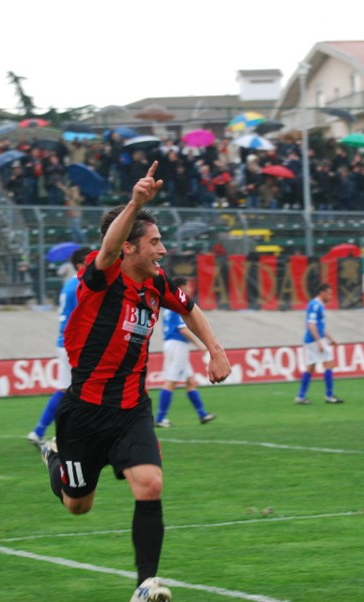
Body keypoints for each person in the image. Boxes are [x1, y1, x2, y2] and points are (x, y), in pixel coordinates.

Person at [38, 161, 231, 601]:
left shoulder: (156, 283)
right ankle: (54, 455)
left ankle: (146, 585)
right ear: (129, 248)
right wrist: (135, 202)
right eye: (154, 242)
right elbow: (106, 249)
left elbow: (189, 307)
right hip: (85, 411)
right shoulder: (100, 276)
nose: (162, 249)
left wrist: (215, 350)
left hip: (130, 410)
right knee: (77, 505)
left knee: (151, 483)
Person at [26, 247, 90, 446]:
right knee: (81, 389)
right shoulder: (81, 286)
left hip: (66, 342)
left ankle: (39, 431)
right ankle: (74, 433)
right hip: (74, 344)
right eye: (91, 261)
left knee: (66, 389)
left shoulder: (70, 284)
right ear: (81, 265)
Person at [155, 276, 217, 427]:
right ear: (181, 288)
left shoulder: (168, 304)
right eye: (188, 286)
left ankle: (203, 414)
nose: (190, 289)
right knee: (171, 381)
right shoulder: (178, 303)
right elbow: (182, 329)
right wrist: (200, 345)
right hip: (177, 344)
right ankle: (160, 418)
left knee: (190, 381)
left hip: (173, 344)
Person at [295, 283, 345, 405]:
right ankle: (329, 395)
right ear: (322, 293)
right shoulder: (315, 305)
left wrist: (330, 338)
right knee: (329, 364)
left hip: (311, 340)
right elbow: (311, 325)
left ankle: (300, 396)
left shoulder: (317, 305)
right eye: (329, 294)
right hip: (314, 340)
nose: (331, 296)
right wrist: (319, 342)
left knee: (311, 367)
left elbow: (319, 326)